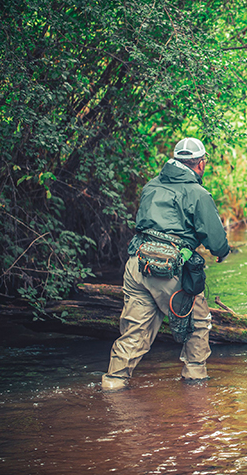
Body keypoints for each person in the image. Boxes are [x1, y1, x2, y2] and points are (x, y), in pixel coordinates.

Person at [102, 137, 230, 391]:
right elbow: (214, 237)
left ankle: (113, 384)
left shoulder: (151, 186)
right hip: (169, 270)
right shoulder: (197, 193)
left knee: (136, 332)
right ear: (200, 164)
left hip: (137, 265)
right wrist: (222, 252)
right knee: (198, 323)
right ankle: (195, 384)